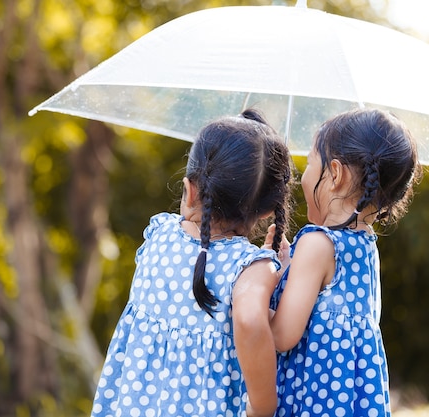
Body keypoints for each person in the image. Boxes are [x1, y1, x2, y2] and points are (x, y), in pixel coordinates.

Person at [90, 108, 293, 417]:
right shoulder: (249, 269)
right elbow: (250, 321)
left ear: (189, 189)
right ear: (267, 209)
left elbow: (199, 307)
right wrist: (263, 406)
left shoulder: (158, 234)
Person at [269, 108, 421, 417]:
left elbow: (283, 335)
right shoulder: (365, 245)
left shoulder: (317, 244)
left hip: (311, 398)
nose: (306, 173)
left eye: (311, 163)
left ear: (335, 174)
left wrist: (251, 294)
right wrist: (287, 266)